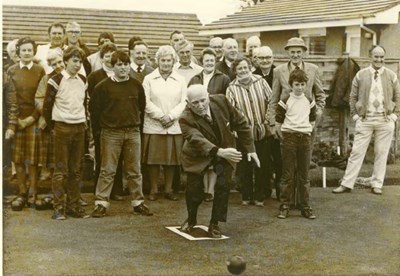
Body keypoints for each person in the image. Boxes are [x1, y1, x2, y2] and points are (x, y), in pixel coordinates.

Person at [179, 84, 260, 238]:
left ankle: (215, 223)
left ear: (208, 96)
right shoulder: (185, 118)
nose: (200, 105)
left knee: (224, 186)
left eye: (203, 100)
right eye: (195, 103)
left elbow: (242, 124)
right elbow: (197, 140)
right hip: (198, 155)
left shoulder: (222, 101)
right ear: (188, 103)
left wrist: (251, 149)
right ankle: (191, 219)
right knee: (193, 190)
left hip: (226, 150)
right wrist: (220, 152)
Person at [90, 50, 152, 217]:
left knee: (134, 170)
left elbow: (141, 107)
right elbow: (94, 111)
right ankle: (101, 203)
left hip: (132, 132)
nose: (123, 68)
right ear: (113, 66)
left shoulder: (136, 85)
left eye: (126, 64)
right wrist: (100, 131)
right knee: (108, 170)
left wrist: (135, 128)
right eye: (119, 65)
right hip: (111, 133)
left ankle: (138, 202)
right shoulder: (102, 87)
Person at [332, 45, 400, 195]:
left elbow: (397, 97)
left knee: (381, 152)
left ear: (385, 58)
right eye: (376, 56)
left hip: (384, 119)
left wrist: (394, 116)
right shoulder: (361, 75)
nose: (379, 59)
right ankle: (346, 183)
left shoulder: (391, 75)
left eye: (381, 56)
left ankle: (377, 183)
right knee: (356, 152)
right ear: (371, 57)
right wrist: (356, 115)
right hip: (366, 119)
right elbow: (352, 96)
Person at [268, 37, 325, 207]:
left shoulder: (313, 70)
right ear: (288, 52)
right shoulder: (279, 71)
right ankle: (287, 202)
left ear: (303, 52)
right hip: (287, 126)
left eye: (298, 51)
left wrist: (317, 114)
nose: (295, 55)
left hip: (307, 126)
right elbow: (274, 99)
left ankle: (303, 202)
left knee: (303, 166)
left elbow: (320, 95)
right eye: (292, 52)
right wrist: (273, 123)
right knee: (288, 166)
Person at [43, 46, 90, 220]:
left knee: (76, 170)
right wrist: (53, 126)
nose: (78, 65)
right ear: (65, 61)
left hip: (79, 128)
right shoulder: (55, 80)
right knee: (60, 171)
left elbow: (84, 104)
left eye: (80, 61)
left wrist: (83, 123)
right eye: (74, 61)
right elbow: (47, 108)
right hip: (61, 128)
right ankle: (58, 208)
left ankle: (74, 207)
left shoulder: (83, 80)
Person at [142, 45, 187, 201]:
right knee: (153, 160)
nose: (166, 63)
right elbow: (145, 102)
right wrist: (161, 116)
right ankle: (154, 189)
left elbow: (184, 102)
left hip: (173, 125)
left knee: (171, 160)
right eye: (163, 60)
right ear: (157, 61)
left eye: (169, 60)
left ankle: (168, 189)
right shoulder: (149, 79)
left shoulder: (181, 80)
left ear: (174, 61)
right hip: (154, 125)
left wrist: (171, 116)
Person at [5, 37, 45, 211]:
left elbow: (43, 97)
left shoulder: (40, 70)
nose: (27, 53)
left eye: (30, 50)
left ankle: (33, 193)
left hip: (34, 120)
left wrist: (32, 118)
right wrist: (14, 123)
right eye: (24, 50)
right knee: (19, 159)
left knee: (33, 160)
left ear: (34, 52)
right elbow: (10, 99)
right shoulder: (11, 70)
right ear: (18, 52)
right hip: (16, 121)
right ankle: (21, 193)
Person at [226, 57, 272, 206]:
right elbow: (230, 113)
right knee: (245, 166)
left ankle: (259, 196)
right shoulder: (231, 88)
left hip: (262, 130)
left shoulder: (260, 81)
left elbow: (271, 102)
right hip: (244, 134)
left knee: (262, 164)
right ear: (235, 71)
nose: (243, 70)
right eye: (240, 68)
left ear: (250, 67)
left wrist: (268, 122)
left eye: (245, 67)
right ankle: (246, 195)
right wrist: (235, 130)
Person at [188, 47, 231, 202]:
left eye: (212, 61)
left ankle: (210, 190)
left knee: (214, 156)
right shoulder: (195, 79)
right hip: (199, 122)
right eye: (206, 60)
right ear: (202, 62)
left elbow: (227, 101)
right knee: (202, 155)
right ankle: (201, 189)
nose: (209, 63)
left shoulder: (224, 78)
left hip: (215, 122)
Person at [276, 69, 317, 219]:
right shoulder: (285, 100)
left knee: (304, 175)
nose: (299, 87)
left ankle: (305, 206)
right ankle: (285, 205)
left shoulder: (309, 101)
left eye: (302, 84)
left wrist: (305, 131)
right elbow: (278, 121)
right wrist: (287, 135)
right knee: (287, 174)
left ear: (306, 85)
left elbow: (312, 120)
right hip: (289, 139)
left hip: (304, 139)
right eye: (296, 84)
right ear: (291, 85)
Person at [87, 42, 126, 201]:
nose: (110, 59)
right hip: (101, 124)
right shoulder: (94, 77)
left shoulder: (122, 76)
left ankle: (116, 190)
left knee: (118, 157)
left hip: (119, 123)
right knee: (102, 157)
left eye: (112, 56)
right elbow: (91, 103)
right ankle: (100, 191)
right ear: (102, 59)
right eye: (107, 56)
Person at [253, 46, 281, 199]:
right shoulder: (252, 76)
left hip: (277, 122)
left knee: (279, 158)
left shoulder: (279, 73)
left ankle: (280, 190)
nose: (265, 61)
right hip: (261, 124)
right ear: (256, 60)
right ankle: (263, 190)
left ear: (272, 58)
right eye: (262, 58)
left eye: (268, 58)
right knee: (262, 159)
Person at [35, 48, 65, 188]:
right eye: (54, 64)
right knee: (52, 160)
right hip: (52, 122)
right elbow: (39, 99)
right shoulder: (46, 79)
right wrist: (50, 114)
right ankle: (51, 192)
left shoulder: (73, 76)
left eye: (60, 62)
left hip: (69, 122)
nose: (58, 66)